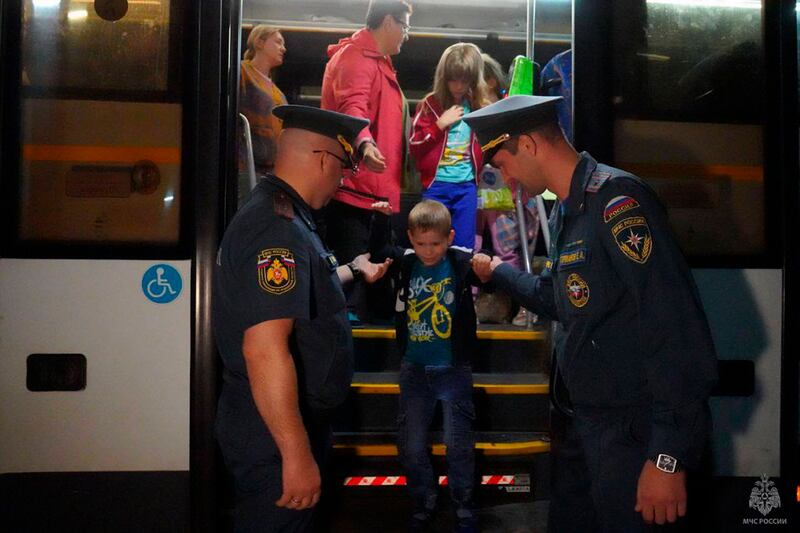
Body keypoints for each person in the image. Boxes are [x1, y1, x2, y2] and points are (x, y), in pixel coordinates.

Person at [465, 95, 718, 532]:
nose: (504, 179)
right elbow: (558, 298)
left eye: (502, 164)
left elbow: (675, 327)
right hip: (585, 429)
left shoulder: (618, 203)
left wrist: (668, 457)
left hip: (633, 436)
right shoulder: (571, 209)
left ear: (527, 144)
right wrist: (500, 273)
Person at [213, 105, 392, 532]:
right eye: (342, 169)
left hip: (278, 424)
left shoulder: (286, 217)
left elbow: (298, 292)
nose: (341, 182)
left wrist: (351, 269)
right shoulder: (276, 228)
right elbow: (264, 349)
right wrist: (295, 455)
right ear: (323, 159)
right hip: (274, 436)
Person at [370, 199, 483, 532]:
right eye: (420, 244)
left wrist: (488, 266)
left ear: (448, 237)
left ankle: (463, 505)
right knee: (413, 444)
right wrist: (379, 219)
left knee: (458, 444)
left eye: (435, 243)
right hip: (415, 370)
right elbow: (380, 251)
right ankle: (423, 503)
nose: (428, 251)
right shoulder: (407, 263)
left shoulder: (460, 262)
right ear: (410, 238)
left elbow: (487, 275)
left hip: (452, 369)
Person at [320, 0, 412, 322]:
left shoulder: (377, 62)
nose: (406, 35)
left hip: (373, 190)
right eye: (405, 26)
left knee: (371, 277)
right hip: (354, 187)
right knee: (349, 289)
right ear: (388, 21)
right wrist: (365, 144)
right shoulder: (357, 58)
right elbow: (352, 106)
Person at [473, 53, 539, 326]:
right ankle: (470, 300)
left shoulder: (506, 110)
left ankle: (522, 305)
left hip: (506, 190)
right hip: (478, 192)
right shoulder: (469, 112)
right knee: (471, 246)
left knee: (509, 250)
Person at [409, 43, 486, 250]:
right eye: (453, 79)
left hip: (466, 186)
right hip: (436, 186)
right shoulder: (429, 105)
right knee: (430, 243)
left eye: (464, 79)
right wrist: (439, 125)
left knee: (463, 248)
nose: (458, 86)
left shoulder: (479, 106)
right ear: (444, 77)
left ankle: (460, 283)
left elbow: (490, 145)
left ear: (473, 78)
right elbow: (414, 146)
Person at [238, 26, 288, 188]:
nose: (283, 48)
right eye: (278, 42)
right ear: (259, 42)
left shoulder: (278, 94)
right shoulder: (241, 72)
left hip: (270, 172)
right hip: (246, 167)